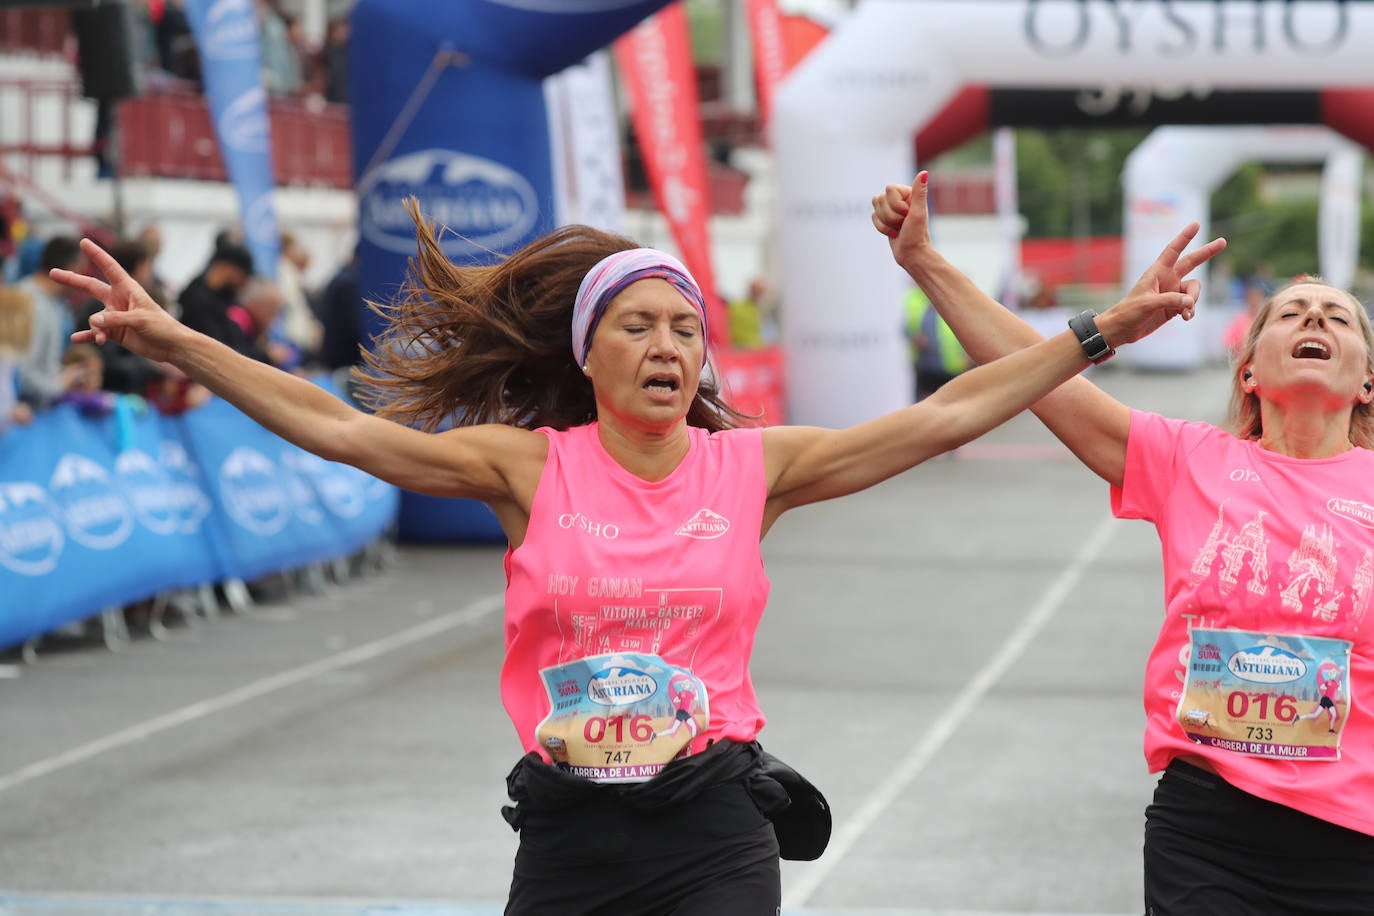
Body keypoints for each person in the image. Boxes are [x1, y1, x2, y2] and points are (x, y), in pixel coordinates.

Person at [57, 193, 1198, 915]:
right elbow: (344, 430)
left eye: (685, 328)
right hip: (570, 835)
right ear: (588, 351)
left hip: (712, 828)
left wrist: (1098, 331)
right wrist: (175, 339)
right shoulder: (526, 467)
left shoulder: (755, 469)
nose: (667, 345)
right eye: (639, 325)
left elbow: (949, 416)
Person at [872, 171, 1374, 914]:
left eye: (1338, 317)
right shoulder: (1189, 459)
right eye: (1293, 312)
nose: (1315, 319)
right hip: (1210, 829)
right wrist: (924, 261)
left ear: (1367, 381)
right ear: (1249, 369)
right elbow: (1031, 373)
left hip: (1355, 837)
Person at [905, 284, 968, 401]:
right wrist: (915, 337)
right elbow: (905, 328)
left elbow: (969, 331)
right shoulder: (915, 299)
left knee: (953, 405)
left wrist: (968, 355)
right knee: (927, 404)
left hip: (954, 367)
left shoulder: (959, 302)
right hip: (927, 365)